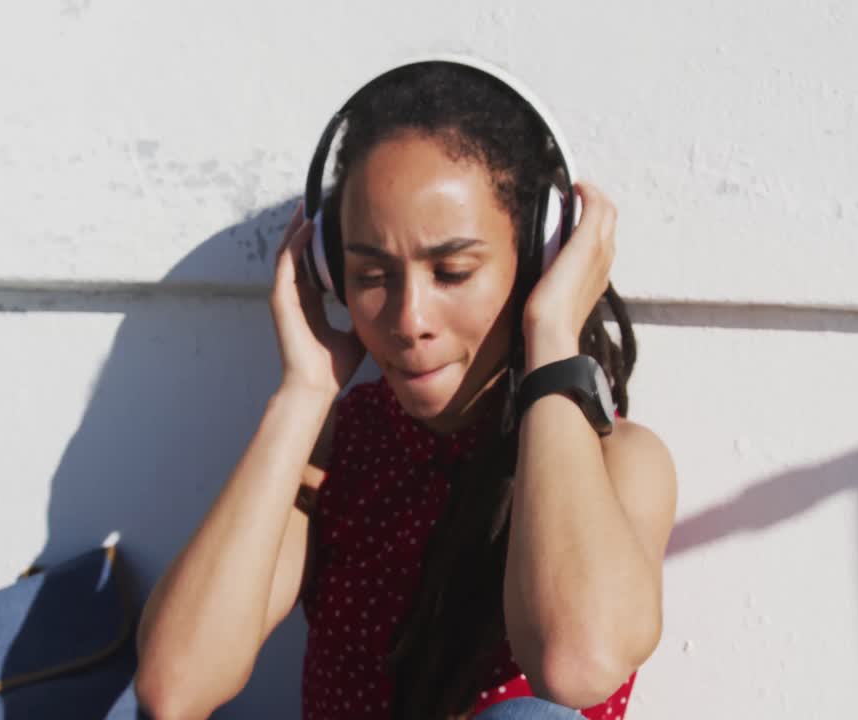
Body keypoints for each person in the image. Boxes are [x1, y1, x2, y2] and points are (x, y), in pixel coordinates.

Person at [134, 58, 677, 720]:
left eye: (452, 271)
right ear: (330, 273)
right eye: (371, 275)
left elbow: (577, 663)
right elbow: (173, 688)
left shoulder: (620, 461)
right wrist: (305, 392)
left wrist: (552, 334)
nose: (409, 321)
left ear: (539, 255)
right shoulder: (344, 448)